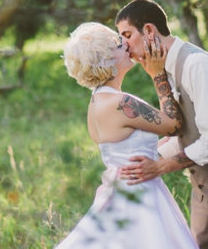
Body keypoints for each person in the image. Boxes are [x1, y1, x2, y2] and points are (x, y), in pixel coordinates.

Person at [116, 0, 208, 249]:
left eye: (127, 35)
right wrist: (139, 161)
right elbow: (182, 134)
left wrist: (160, 166)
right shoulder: (166, 69)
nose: (124, 45)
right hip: (202, 190)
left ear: (149, 30)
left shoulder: (197, 65)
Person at [55, 22, 199, 249]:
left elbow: (131, 145)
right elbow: (174, 125)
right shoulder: (121, 103)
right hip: (139, 194)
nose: (125, 45)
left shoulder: (96, 102)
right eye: (117, 45)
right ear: (107, 60)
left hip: (121, 189)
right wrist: (157, 73)